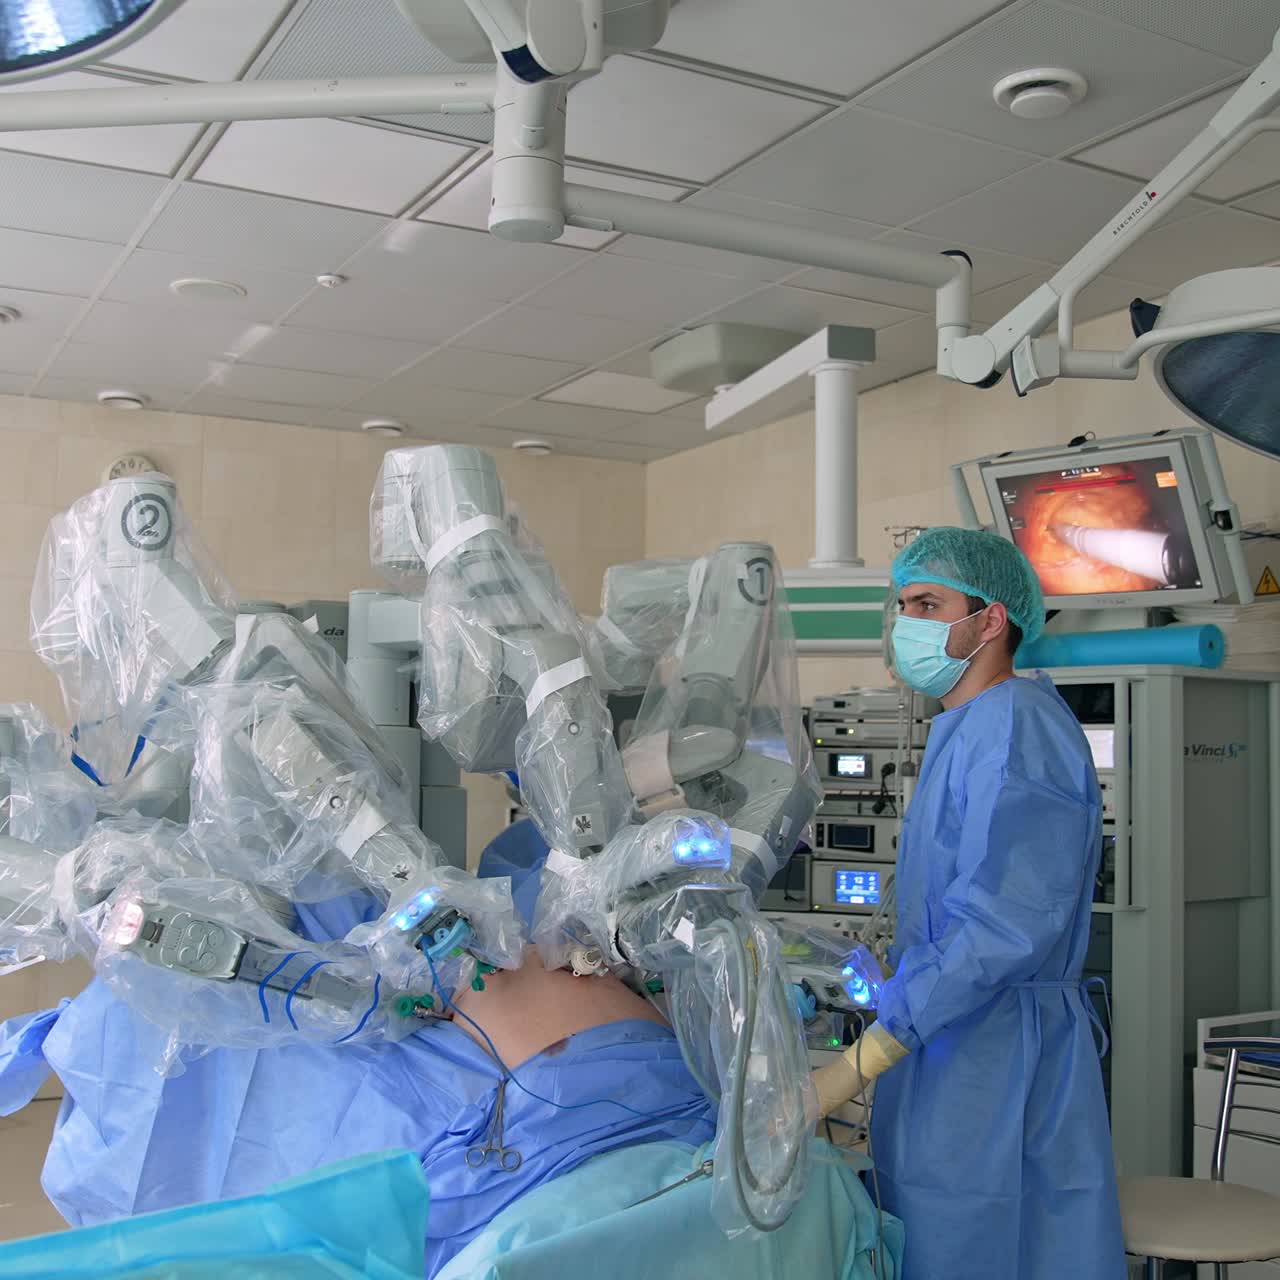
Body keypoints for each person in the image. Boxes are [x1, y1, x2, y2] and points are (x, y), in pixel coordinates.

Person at [814, 527, 1125, 1280]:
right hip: (951, 1038)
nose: (906, 623)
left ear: (991, 620)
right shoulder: (967, 729)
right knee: (934, 1232)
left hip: (998, 1052)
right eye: (902, 605)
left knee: (990, 1243)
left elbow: (1005, 921)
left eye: (927, 603)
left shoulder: (1019, 726)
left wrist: (867, 1056)